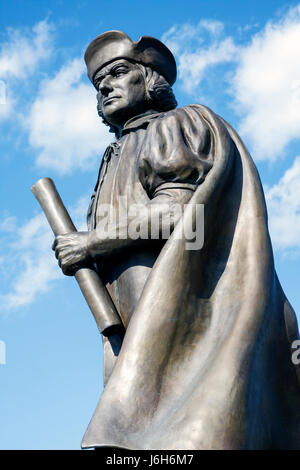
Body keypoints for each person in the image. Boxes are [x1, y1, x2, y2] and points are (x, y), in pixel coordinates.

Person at [53, 31, 300, 450]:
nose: (106, 86)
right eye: (98, 84)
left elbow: (181, 214)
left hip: (186, 326)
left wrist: (90, 243)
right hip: (143, 333)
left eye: (117, 73)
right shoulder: (118, 153)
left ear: (150, 80)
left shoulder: (173, 125)